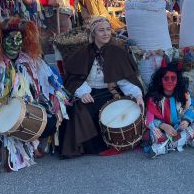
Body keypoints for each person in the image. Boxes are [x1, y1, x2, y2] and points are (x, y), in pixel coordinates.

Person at [0, 17, 69, 171]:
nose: (15, 43)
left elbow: (46, 88)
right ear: (0, 41)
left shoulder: (34, 62)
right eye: (10, 39)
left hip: (27, 111)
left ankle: (35, 142)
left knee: (51, 120)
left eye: (19, 39)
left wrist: (45, 105)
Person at [60, 16, 144, 157]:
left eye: (108, 29)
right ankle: (90, 147)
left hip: (111, 92)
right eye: (101, 30)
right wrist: (83, 92)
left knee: (127, 105)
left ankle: (120, 141)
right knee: (77, 109)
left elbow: (125, 80)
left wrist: (137, 94)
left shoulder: (117, 52)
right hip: (91, 92)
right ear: (93, 33)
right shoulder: (83, 53)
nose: (106, 33)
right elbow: (75, 78)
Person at [145, 60, 194, 158]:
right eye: (166, 78)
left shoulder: (184, 95)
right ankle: (182, 141)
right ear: (160, 80)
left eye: (173, 78)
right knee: (154, 134)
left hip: (179, 128)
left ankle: (164, 147)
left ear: (177, 80)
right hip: (163, 130)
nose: (170, 82)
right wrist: (163, 126)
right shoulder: (153, 98)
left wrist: (186, 121)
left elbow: (192, 109)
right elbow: (149, 119)